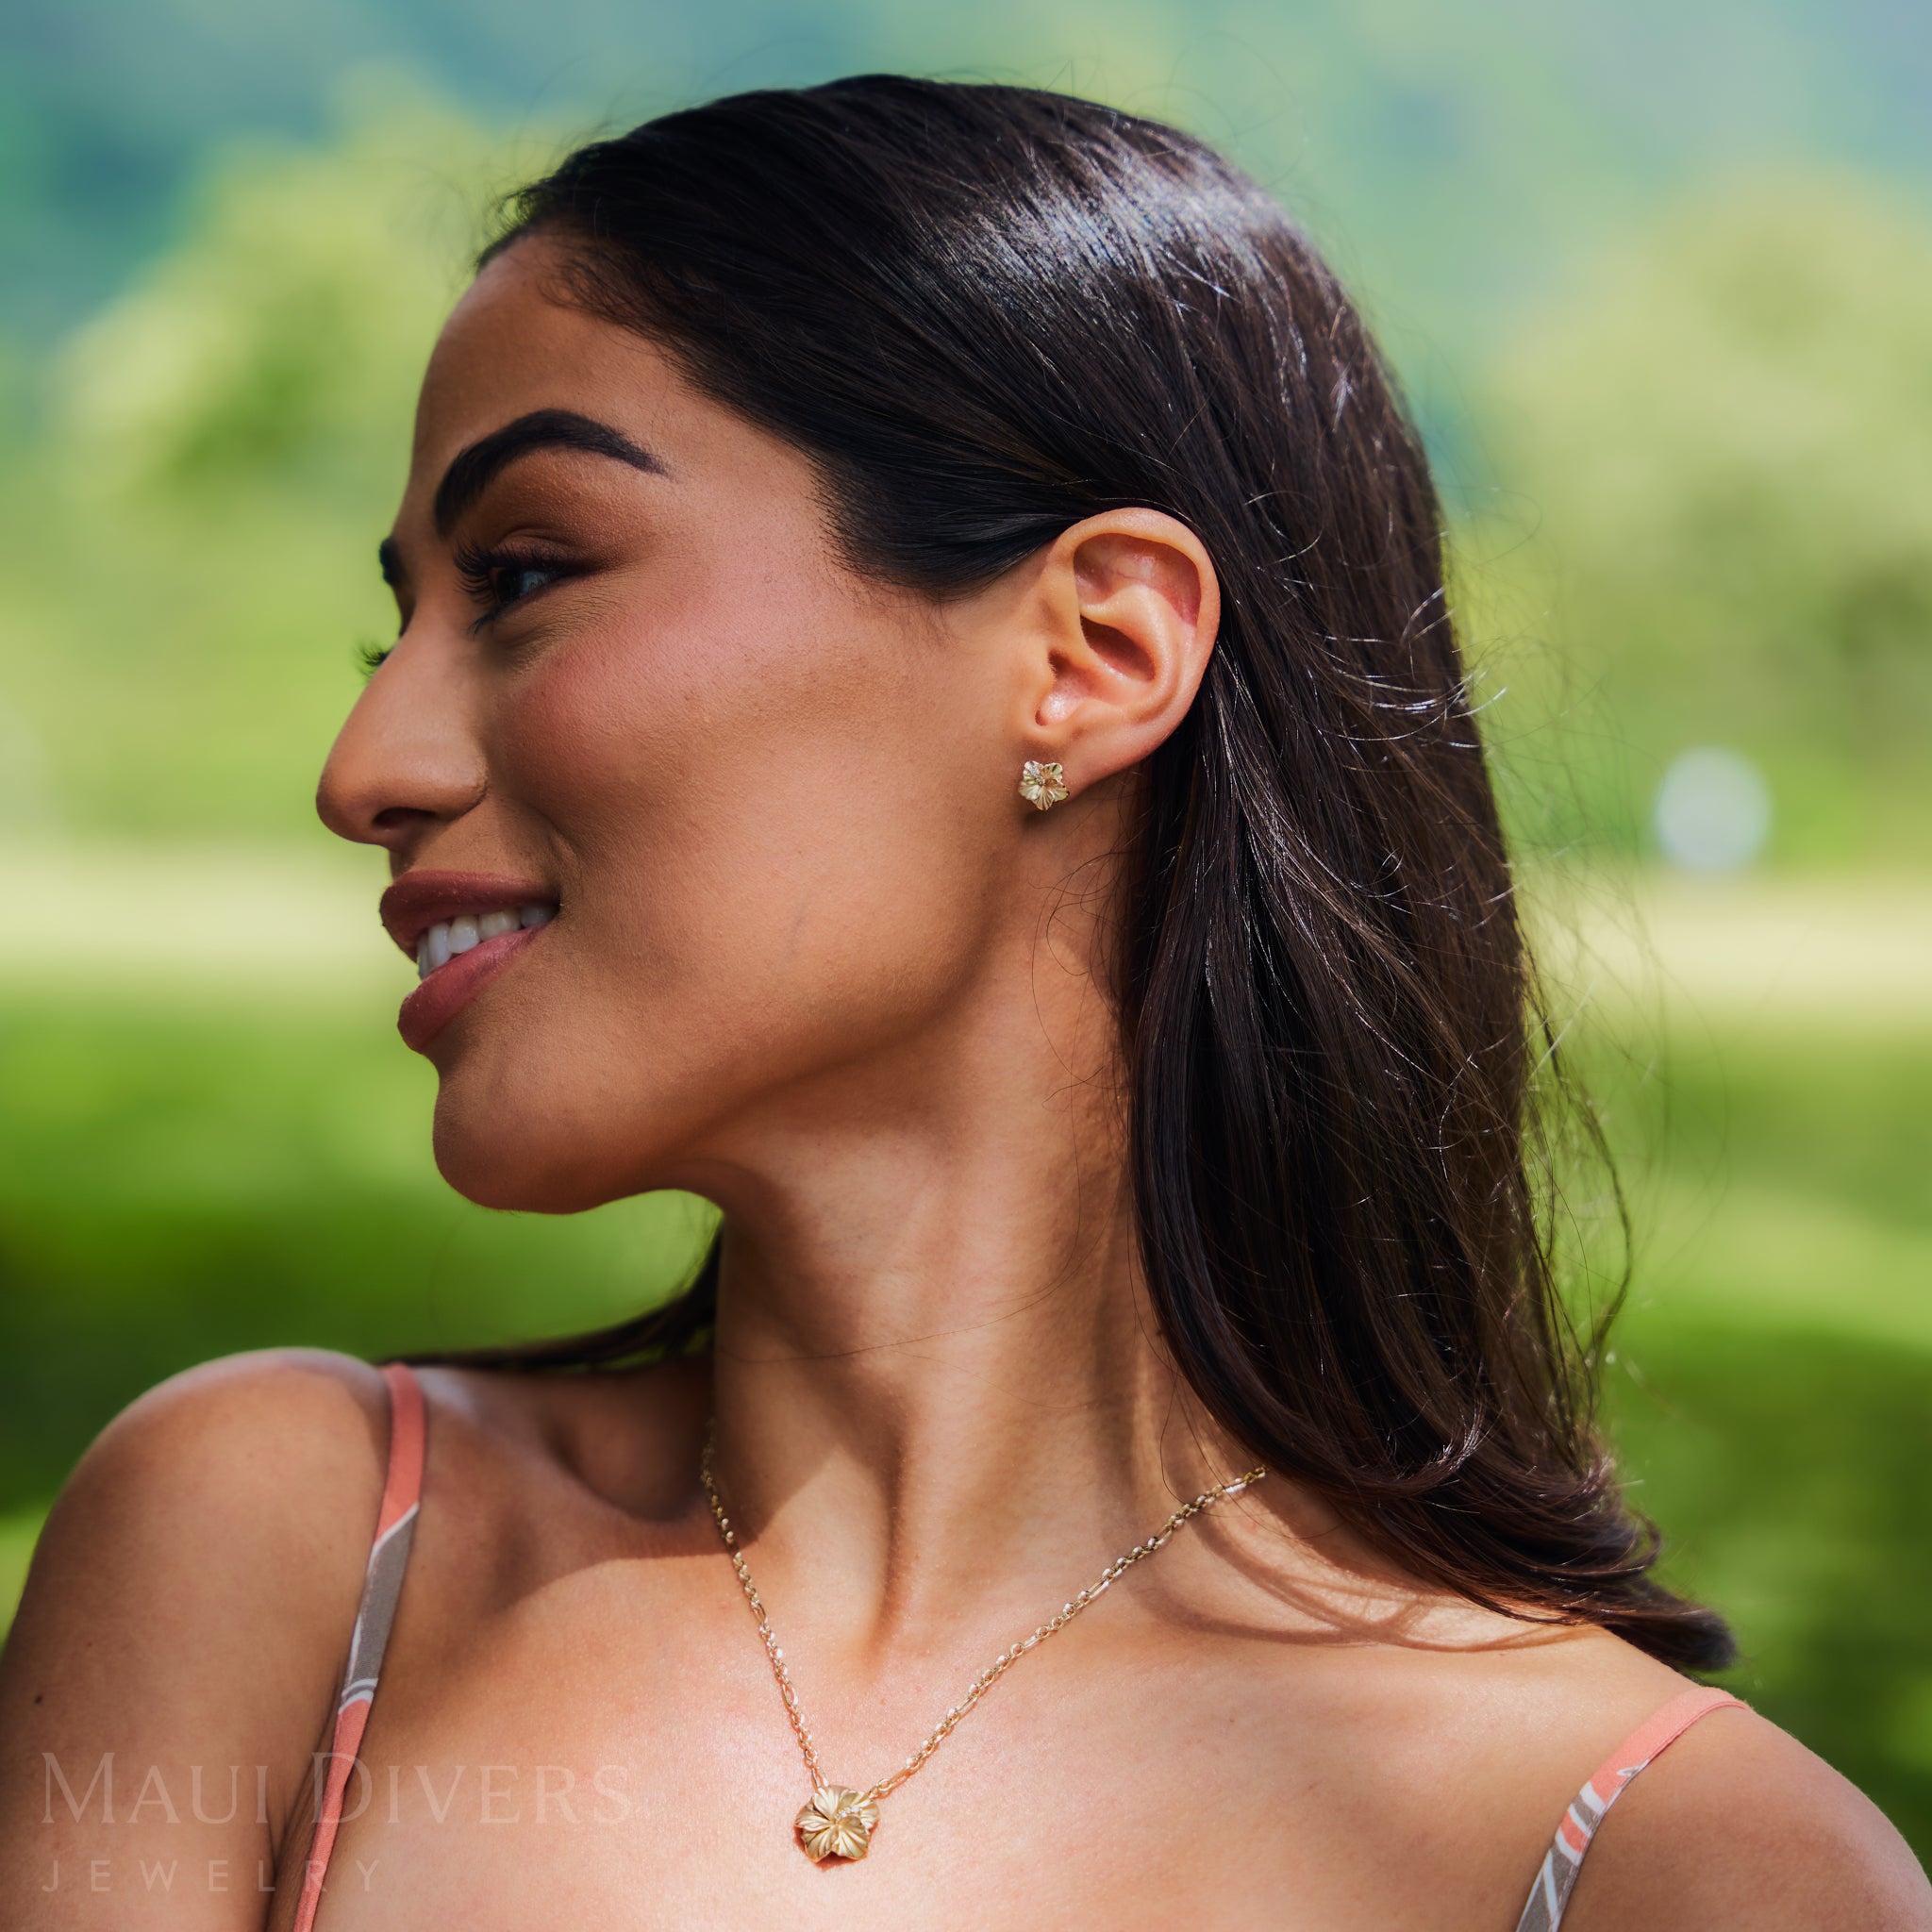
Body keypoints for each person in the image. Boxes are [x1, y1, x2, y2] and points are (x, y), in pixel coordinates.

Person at [2, 75, 1925, 1931]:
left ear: (1093, 651)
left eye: (523, 574)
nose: (364, 766)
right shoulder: (275, 1559)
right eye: (395, 623)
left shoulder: (1683, 1875)